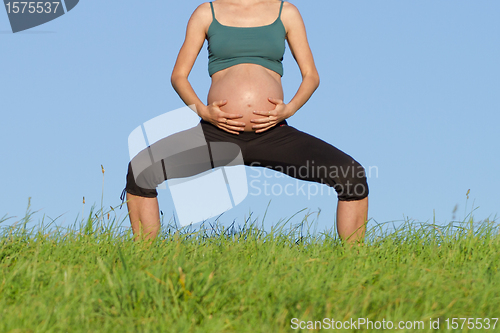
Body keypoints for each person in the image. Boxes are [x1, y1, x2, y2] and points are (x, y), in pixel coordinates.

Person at [123, 0, 369, 243]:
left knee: (351, 175)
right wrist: (204, 112)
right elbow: (178, 76)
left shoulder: (287, 12)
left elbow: (311, 76)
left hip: (273, 134)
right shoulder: (206, 13)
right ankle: (143, 257)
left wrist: (289, 109)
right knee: (142, 169)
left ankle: (355, 262)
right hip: (217, 133)